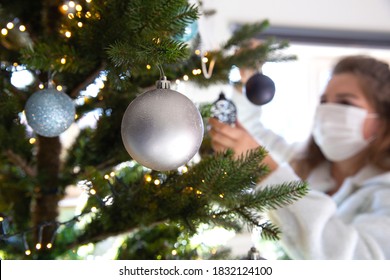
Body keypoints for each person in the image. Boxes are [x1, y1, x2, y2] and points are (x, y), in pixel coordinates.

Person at [209, 55, 390, 259]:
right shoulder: (306, 162)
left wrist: (263, 167)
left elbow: (355, 261)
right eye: (324, 101)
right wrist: (249, 80)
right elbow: (248, 130)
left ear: (383, 118)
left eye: (345, 103)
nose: (328, 112)